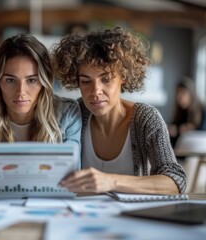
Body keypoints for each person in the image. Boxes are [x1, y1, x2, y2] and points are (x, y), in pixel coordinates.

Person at [53, 27, 187, 194]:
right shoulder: (73, 114)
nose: (96, 91)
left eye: (106, 79)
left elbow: (176, 180)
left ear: (123, 77)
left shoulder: (145, 119)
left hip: (132, 217)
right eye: (86, 82)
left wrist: (111, 181)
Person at [0, 33, 82, 179]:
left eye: (31, 80)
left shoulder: (67, 113)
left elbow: (72, 176)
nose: (21, 92)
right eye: (10, 80)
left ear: (45, 82)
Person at [168, 77, 203, 148]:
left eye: (183, 93)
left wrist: (189, 130)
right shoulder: (179, 112)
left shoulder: (202, 110)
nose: (180, 97)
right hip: (181, 151)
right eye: (178, 93)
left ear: (191, 94)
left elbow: (202, 133)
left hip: (196, 150)